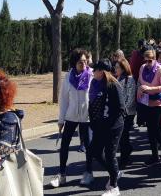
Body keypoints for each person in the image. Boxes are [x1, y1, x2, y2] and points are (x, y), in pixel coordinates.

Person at [51, 48, 93, 188]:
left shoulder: (91, 75)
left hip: (87, 118)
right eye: (80, 62)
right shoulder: (68, 78)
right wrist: (61, 120)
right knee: (64, 146)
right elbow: (63, 100)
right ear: (74, 62)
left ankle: (89, 173)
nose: (84, 64)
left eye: (85, 61)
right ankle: (62, 175)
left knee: (88, 146)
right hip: (71, 116)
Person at [88, 60, 126, 196]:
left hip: (113, 125)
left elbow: (121, 108)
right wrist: (93, 122)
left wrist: (109, 123)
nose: (93, 72)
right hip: (100, 125)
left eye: (95, 70)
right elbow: (92, 105)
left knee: (110, 154)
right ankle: (114, 173)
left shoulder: (113, 85)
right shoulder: (94, 84)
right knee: (95, 151)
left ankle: (114, 187)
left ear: (102, 72)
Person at [137, 48, 161, 166]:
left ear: (155, 59)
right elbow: (140, 82)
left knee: (157, 130)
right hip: (146, 101)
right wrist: (141, 89)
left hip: (158, 102)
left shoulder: (160, 69)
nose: (147, 63)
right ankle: (155, 156)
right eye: (145, 60)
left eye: (150, 61)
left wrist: (150, 89)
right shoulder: (142, 68)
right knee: (150, 130)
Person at [115, 58, 136, 169]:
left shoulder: (130, 79)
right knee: (123, 135)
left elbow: (131, 97)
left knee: (123, 134)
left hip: (128, 112)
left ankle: (124, 157)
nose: (115, 69)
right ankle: (127, 150)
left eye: (117, 67)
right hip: (119, 112)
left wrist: (123, 110)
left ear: (123, 68)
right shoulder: (117, 78)